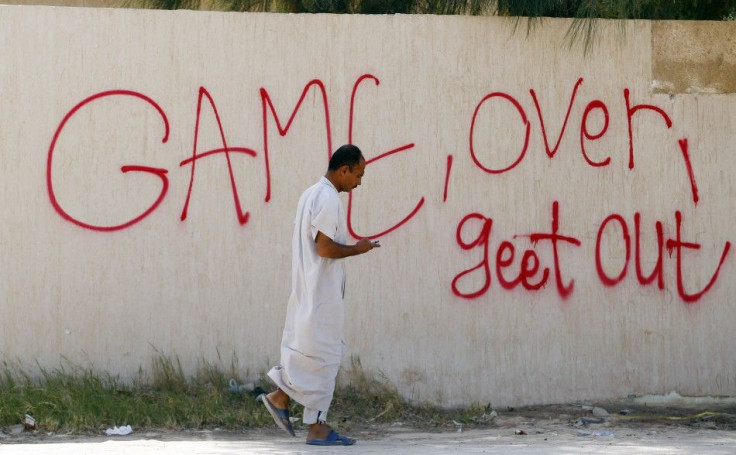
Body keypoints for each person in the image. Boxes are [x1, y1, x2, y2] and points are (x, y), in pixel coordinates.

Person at [259, 144, 380, 446]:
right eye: (358, 175)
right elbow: (324, 247)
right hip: (319, 295)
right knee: (324, 357)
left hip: (310, 292)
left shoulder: (310, 194)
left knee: (313, 357)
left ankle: (309, 420)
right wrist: (358, 248)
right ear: (344, 170)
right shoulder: (327, 198)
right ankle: (287, 403)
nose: (359, 183)